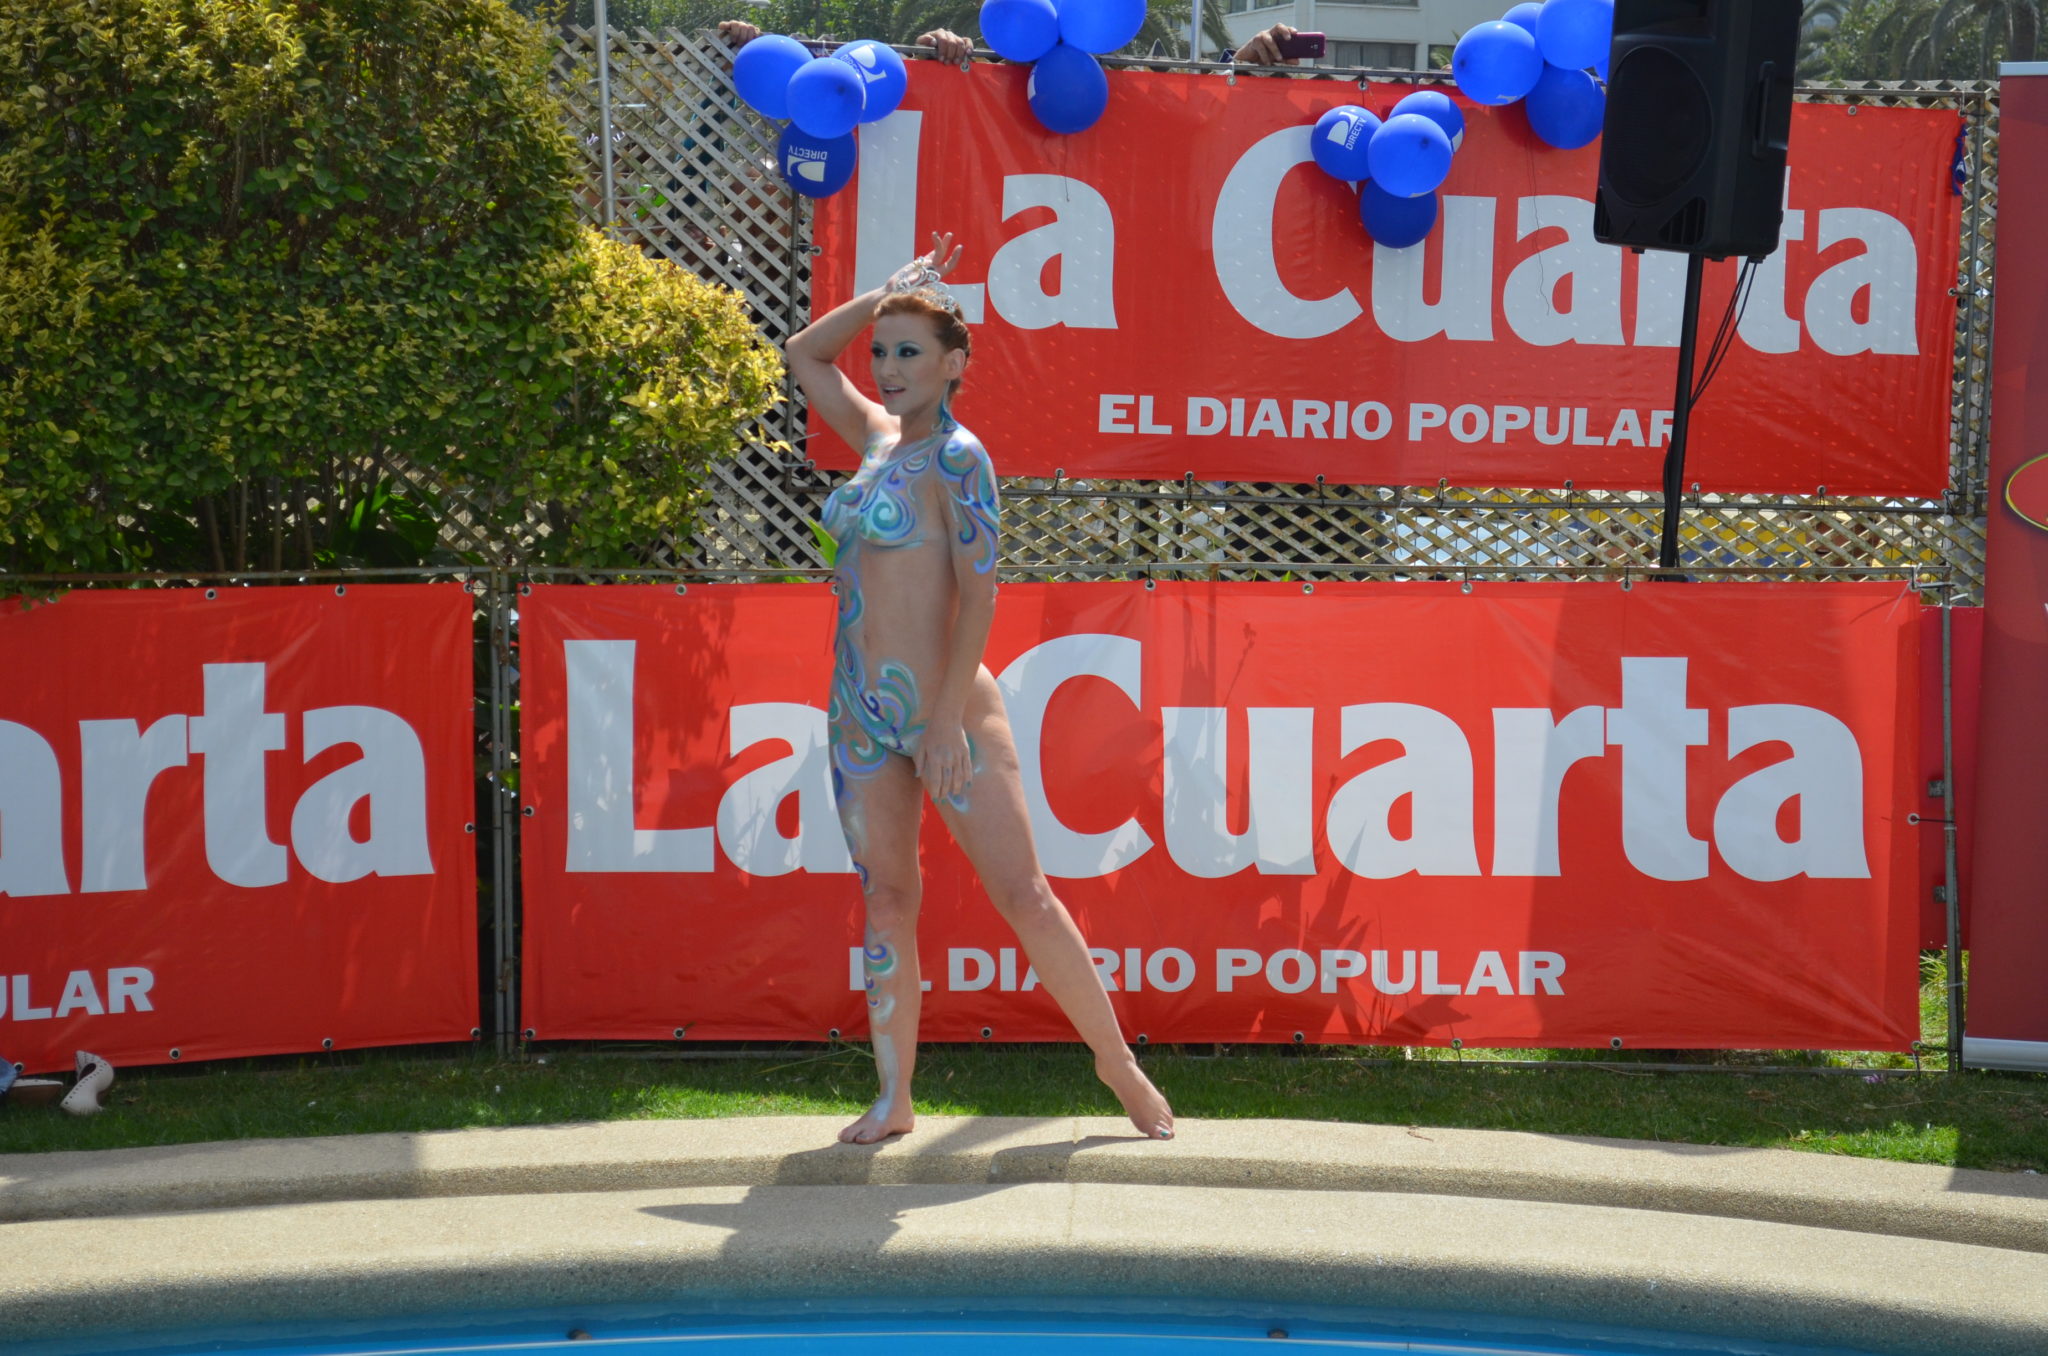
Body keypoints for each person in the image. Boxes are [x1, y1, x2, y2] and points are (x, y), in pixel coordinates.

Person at [782, 233, 1176, 1146]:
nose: (886, 368)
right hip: (859, 713)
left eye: (909, 351)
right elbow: (804, 353)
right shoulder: (874, 443)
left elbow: (981, 589)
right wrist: (881, 295)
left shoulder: (962, 458)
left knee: (1024, 895)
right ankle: (894, 1097)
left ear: (954, 363)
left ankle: (1118, 1068)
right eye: (881, 352)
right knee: (887, 899)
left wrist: (951, 716)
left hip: (944, 709)